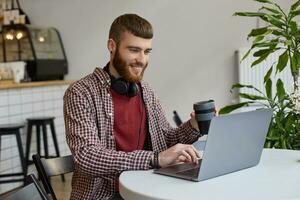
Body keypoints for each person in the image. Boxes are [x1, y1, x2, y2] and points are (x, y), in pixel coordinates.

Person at [63, 13, 202, 200]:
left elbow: (166, 139)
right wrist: (155, 159)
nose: (142, 60)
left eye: (147, 52)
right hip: (103, 196)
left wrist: (193, 126)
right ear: (112, 46)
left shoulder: (145, 90)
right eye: (134, 50)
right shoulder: (81, 92)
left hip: (145, 187)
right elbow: (86, 156)